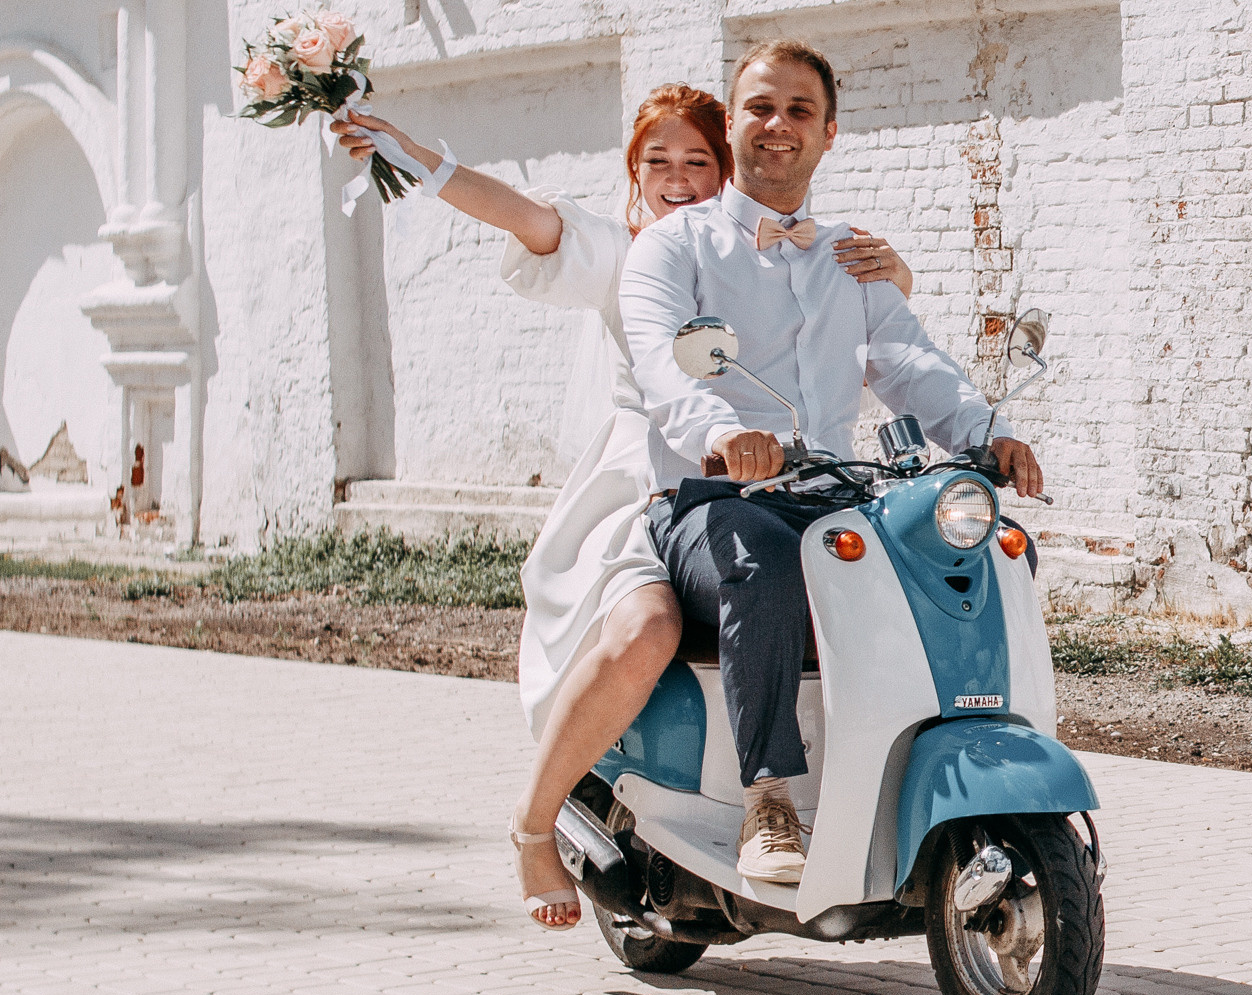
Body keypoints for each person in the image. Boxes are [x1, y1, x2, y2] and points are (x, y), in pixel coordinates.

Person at [331, 87, 916, 929]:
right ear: (634, 175)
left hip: (785, 499)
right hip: (651, 499)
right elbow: (526, 218)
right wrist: (416, 157)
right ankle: (535, 823)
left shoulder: (776, 257)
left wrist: (894, 277)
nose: (678, 179)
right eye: (658, 162)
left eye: (698, 161)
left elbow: (859, 352)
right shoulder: (628, 252)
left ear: (730, 169)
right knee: (647, 631)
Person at [621, 40, 1043, 884]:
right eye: (761, 108)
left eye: (800, 111)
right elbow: (664, 360)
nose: (779, 126)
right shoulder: (676, 246)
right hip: (713, 503)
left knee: (967, 551)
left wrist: (982, 429)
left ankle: (942, 765)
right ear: (734, 121)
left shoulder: (850, 255)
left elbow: (907, 359)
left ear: (829, 131)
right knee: (764, 557)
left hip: (833, 496)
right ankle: (770, 796)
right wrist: (720, 430)